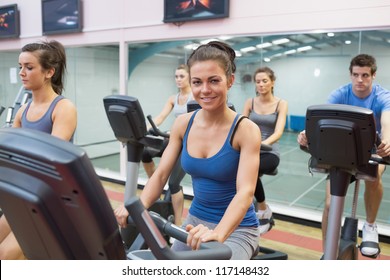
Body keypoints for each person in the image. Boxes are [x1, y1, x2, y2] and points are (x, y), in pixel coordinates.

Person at [116, 41, 261, 259]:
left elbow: (246, 192)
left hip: (237, 229)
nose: (205, 90)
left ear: (230, 81)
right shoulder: (183, 124)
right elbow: (161, 174)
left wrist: (218, 233)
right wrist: (137, 206)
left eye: (214, 80)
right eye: (197, 82)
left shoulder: (246, 130)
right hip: (194, 224)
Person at [297, 54, 390, 258]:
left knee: (374, 176)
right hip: (343, 153)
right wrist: (306, 135)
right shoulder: (340, 94)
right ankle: (327, 251)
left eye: (365, 75)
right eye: (356, 74)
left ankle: (370, 227)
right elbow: (321, 120)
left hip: (372, 153)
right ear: (350, 74)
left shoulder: (383, 96)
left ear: (373, 75)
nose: (360, 80)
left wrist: (388, 141)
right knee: (330, 205)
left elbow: (387, 122)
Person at [0, 40, 77, 260]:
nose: (22, 73)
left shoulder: (63, 108)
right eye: (20, 67)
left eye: (29, 67)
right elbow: (9, 156)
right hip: (24, 193)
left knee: (6, 255)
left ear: (49, 72)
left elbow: (49, 162)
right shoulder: (22, 111)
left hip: (51, 197)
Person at [141, 64, 193, 226]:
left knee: (174, 183)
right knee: (145, 153)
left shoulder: (195, 97)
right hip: (173, 140)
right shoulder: (173, 98)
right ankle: (155, 188)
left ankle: (177, 224)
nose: (178, 79)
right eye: (176, 76)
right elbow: (161, 116)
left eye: (182, 76)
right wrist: (144, 128)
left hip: (188, 144)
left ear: (190, 77)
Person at [242, 66, 288, 235]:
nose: (261, 85)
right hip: (250, 150)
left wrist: (261, 144)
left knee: (250, 169)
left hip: (269, 151)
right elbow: (241, 126)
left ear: (272, 82)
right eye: (258, 82)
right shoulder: (250, 102)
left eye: (264, 81)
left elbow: (279, 132)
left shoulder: (281, 104)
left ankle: (263, 209)